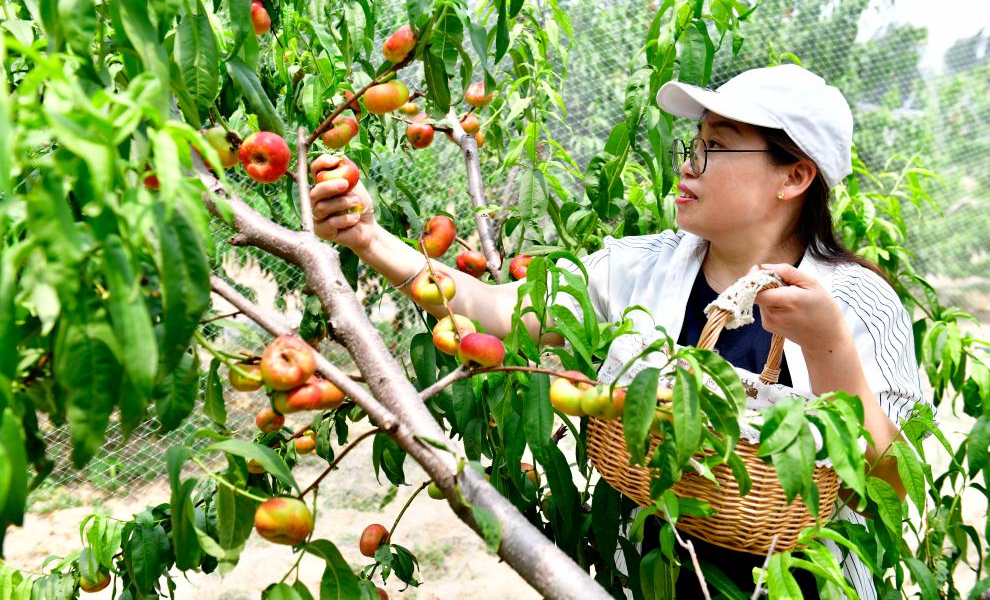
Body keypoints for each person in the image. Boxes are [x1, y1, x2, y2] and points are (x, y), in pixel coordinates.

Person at [308, 63, 931, 598]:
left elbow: (892, 486)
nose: (688, 164)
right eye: (693, 143)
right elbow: (495, 310)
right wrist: (369, 239)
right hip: (653, 576)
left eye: (716, 146)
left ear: (793, 177)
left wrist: (826, 346)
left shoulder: (858, 302)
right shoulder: (642, 266)